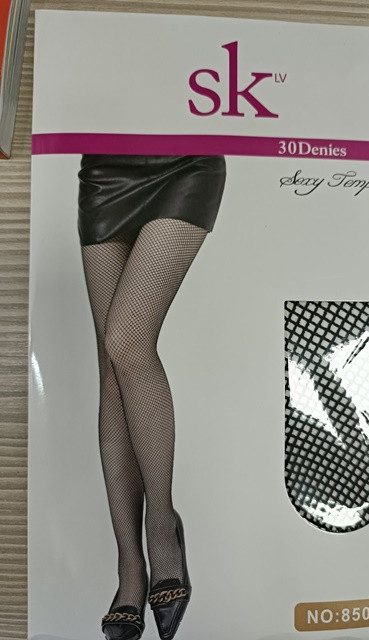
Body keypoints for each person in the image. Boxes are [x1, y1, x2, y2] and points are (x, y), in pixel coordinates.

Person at [77, 153, 227, 640]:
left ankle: (162, 528)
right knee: (112, 368)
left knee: (126, 340)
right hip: (106, 168)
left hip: (186, 160)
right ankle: (129, 565)